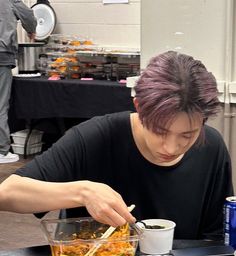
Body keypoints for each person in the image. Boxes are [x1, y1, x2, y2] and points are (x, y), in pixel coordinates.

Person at [0, 51, 233, 239]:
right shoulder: (97, 137)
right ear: (139, 107)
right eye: (159, 131)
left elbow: (215, 238)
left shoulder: (211, 148)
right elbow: (7, 194)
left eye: (187, 135)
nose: (170, 148)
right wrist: (82, 192)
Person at [0, 0, 37, 163]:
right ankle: (2, 150)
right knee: (0, 104)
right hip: (1, 55)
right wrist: (31, 31)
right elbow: (28, 15)